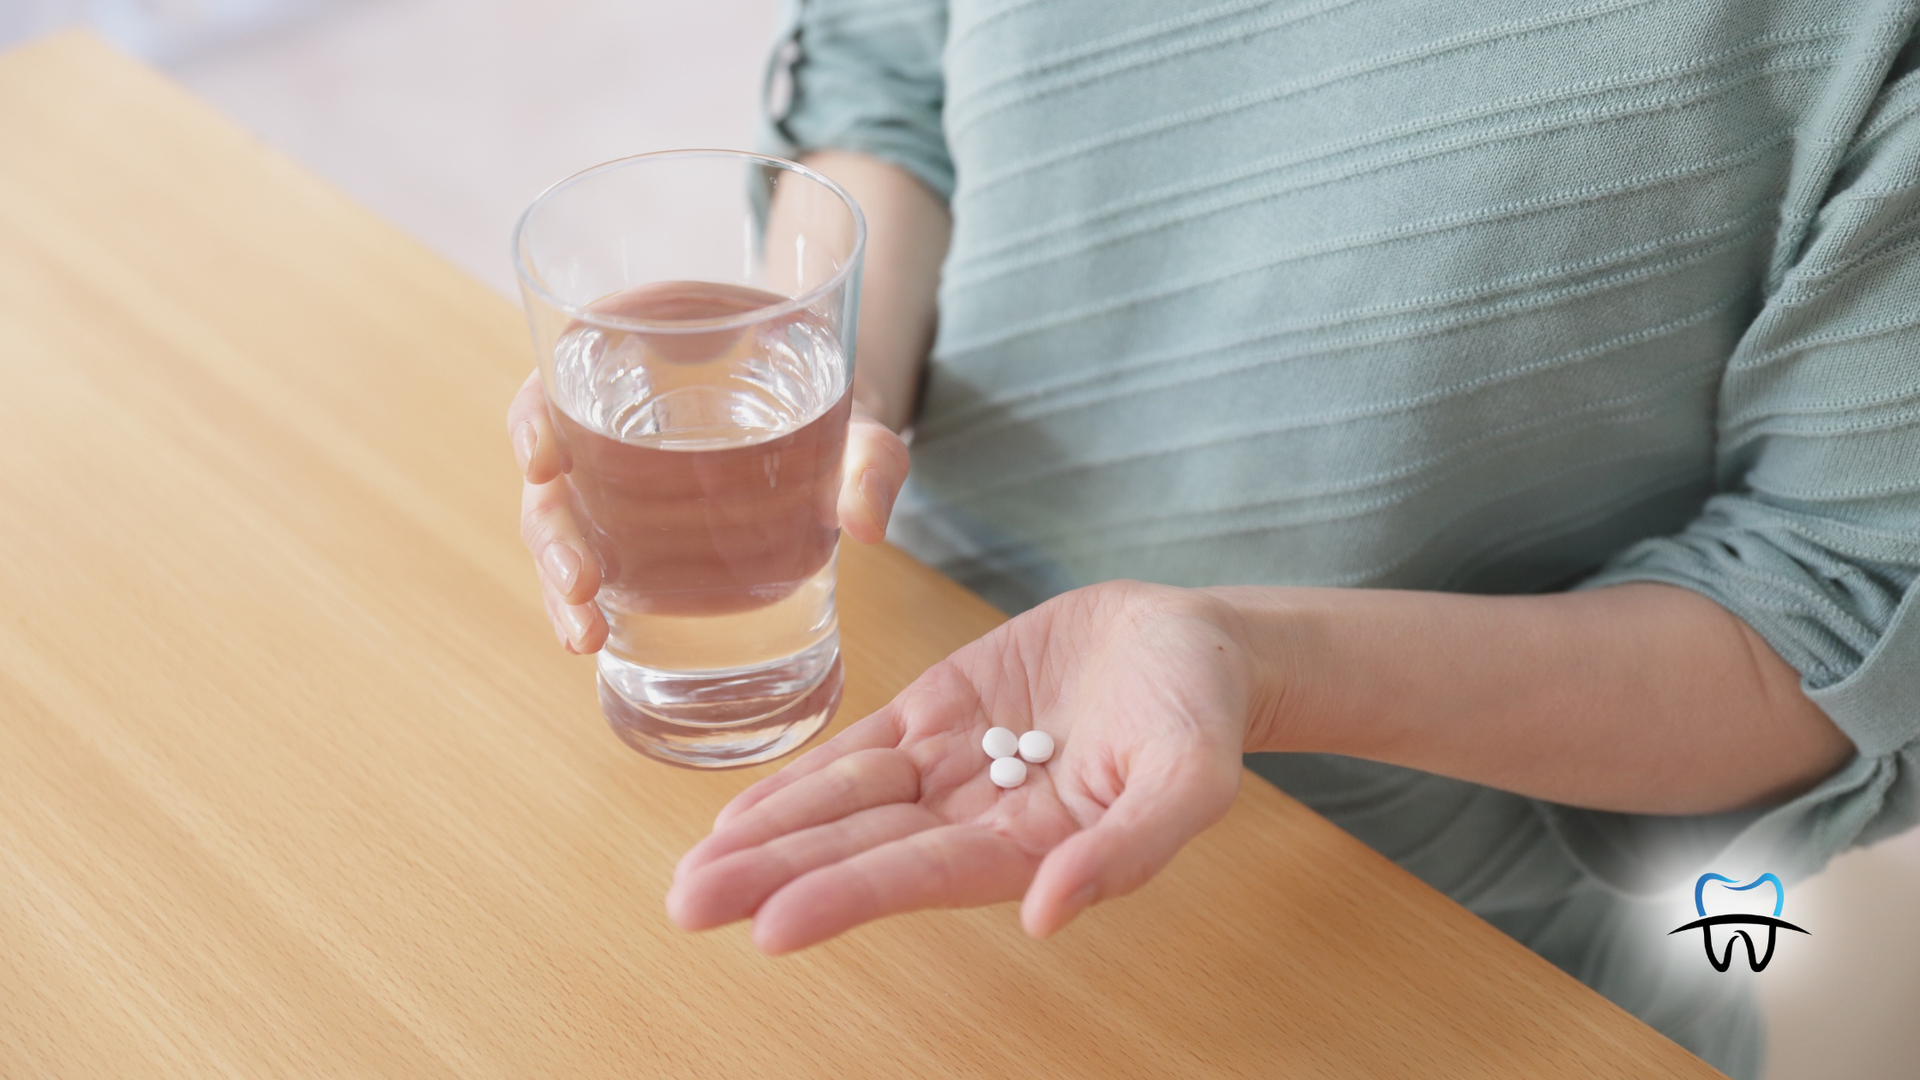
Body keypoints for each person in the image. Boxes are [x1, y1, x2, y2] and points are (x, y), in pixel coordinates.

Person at [506, 2, 1920, 1075]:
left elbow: (1826, 615)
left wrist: (1259, 664)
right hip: (912, 718)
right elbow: (892, 75)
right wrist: (822, 383)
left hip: (1430, 945)